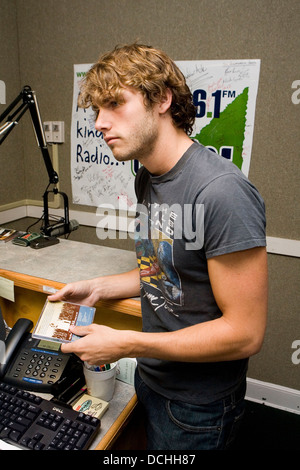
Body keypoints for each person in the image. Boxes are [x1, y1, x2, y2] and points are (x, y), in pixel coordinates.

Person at [49, 43, 268, 450]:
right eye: (96, 110)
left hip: (197, 407)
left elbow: (245, 333)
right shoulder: (148, 177)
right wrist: (99, 287)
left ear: (162, 99)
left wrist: (128, 342)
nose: (100, 122)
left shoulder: (222, 193)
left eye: (114, 104)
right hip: (154, 379)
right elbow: (165, 269)